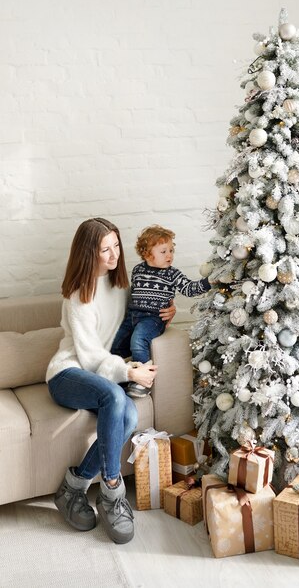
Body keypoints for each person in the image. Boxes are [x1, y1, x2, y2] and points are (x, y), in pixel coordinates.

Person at [45, 217, 175, 545]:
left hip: (98, 373)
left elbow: (143, 311)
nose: (114, 254)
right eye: (105, 249)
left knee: (129, 415)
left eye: (116, 245)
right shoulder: (78, 295)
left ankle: (73, 487)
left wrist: (168, 310)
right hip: (68, 374)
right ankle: (113, 493)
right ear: (89, 253)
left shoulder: (120, 286)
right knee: (117, 400)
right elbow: (89, 357)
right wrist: (129, 372)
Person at [111, 224, 210, 397]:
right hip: (132, 316)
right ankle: (121, 378)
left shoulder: (173, 274)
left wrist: (210, 282)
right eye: (163, 251)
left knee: (138, 339)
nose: (169, 255)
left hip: (153, 319)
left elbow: (189, 289)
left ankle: (143, 380)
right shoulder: (138, 270)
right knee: (116, 344)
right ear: (147, 253)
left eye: (171, 250)